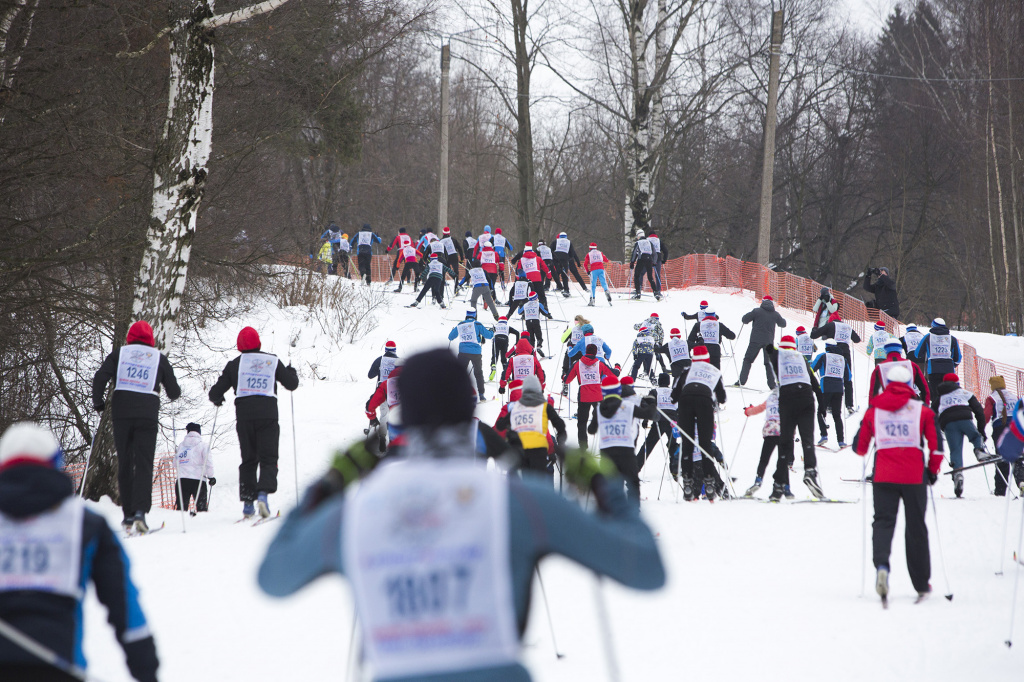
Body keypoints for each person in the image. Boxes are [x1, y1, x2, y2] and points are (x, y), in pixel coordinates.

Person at [257, 349, 665, 682]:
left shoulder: (357, 512)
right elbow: (646, 567)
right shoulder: (520, 503)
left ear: (406, 410)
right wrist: (600, 483)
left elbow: (273, 576)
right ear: (468, 402)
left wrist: (329, 484)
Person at [0, 423, 160, 682]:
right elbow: (126, 610)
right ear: (55, 464)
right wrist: (146, 672)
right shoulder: (85, 524)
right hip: (60, 667)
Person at [852, 364, 941, 605]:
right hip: (914, 475)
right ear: (910, 385)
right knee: (916, 528)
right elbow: (937, 445)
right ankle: (922, 583)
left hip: (884, 474)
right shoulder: (921, 410)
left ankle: (882, 566)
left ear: (886, 385)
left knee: (883, 522)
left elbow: (860, 448)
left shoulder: (874, 409)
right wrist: (932, 471)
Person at [92, 319, 181, 533]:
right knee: (143, 462)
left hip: (122, 413)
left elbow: (100, 377)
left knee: (125, 462)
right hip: (147, 415)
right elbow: (174, 391)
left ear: (130, 337)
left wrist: (99, 402)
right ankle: (141, 512)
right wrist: (170, 392)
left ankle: (128, 515)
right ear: (151, 338)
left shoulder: (119, 354)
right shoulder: (158, 358)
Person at [209, 326, 299, 519]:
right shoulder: (271, 360)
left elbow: (215, 392)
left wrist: (218, 399)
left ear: (239, 345)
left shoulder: (235, 365)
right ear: (258, 342)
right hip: (268, 416)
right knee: (268, 458)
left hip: (245, 417)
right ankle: (263, 496)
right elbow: (291, 384)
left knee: (249, 460)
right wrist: (292, 372)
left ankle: (248, 504)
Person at [767, 336, 824, 500]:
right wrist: (821, 406)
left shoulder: (777, 355)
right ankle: (810, 472)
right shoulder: (802, 359)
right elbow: (815, 382)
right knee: (807, 439)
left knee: (784, 442)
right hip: (806, 397)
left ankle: (778, 485)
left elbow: (769, 349)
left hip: (788, 398)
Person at [587, 375, 657, 507]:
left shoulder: (599, 409)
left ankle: (611, 511)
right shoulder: (628, 406)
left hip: (606, 451)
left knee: (611, 483)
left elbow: (591, 430)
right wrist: (652, 402)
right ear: (618, 390)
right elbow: (649, 414)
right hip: (626, 449)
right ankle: (633, 511)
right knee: (633, 483)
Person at [669, 345, 727, 501]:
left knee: (687, 444)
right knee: (705, 445)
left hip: (685, 403)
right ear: (708, 359)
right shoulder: (715, 372)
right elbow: (722, 398)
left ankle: (687, 481)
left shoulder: (687, 371)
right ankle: (709, 481)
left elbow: (673, 396)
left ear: (693, 359)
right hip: (704, 403)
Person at [494, 375, 567, 484]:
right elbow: (560, 425)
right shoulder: (544, 406)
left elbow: (500, 426)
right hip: (539, 450)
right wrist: (561, 440)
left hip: (520, 450)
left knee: (526, 483)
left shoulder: (516, 407)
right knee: (539, 483)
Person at [932, 372, 994, 498]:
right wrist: (981, 431)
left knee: (955, 450)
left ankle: (958, 474)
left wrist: (934, 431)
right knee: (975, 437)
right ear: (957, 383)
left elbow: (931, 414)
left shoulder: (940, 398)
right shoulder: (965, 393)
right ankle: (979, 451)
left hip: (948, 422)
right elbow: (979, 412)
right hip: (965, 418)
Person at [565, 343, 617, 449]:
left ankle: (583, 448)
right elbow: (613, 375)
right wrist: (617, 368)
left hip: (584, 395)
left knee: (582, 423)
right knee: (603, 417)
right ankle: (607, 444)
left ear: (585, 351)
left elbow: (567, 380)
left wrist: (564, 377)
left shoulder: (577, 363)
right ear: (595, 352)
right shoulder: (599, 364)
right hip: (598, 395)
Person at [810, 312, 860, 415]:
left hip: (832, 354)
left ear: (831, 320)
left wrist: (814, 329)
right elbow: (857, 339)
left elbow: (814, 335)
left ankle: (829, 405)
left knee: (832, 376)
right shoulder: (848, 327)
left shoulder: (831, 325)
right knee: (847, 379)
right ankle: (849, 405)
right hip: (845, 355)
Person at [736, 294, 787, 389]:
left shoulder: (757, 311)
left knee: (748, 360)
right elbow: (783, 324)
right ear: (772, 303)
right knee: (769, 363)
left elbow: (744, 319)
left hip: (755, 340)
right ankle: (772, 385)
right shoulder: (775, 314)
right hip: (769, 342)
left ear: (763, 302)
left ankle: (741, 381)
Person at [986, 375, 1024, 496]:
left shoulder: (992, 398)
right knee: (1017, 458)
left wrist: (980, 430)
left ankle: (1000, 491)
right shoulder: (1014, 396)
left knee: (1002, 459)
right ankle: (1022, 482)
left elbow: (986, 415)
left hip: (1000, 429)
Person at [637, 373, 681, 477]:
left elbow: (649, 406)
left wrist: (646, 420)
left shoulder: (654, 391)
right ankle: (675, 469)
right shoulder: (675, 392)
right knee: (673, 445)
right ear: (669, 382)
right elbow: (680, 407)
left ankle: (636, 468)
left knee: (648, 445)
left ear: (659, 381)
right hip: (672, 422)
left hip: (659, 421)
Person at [742, 388, 783, 497]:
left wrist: (748, 411)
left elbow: (759, 408)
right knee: (782, 459)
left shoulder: (771, 398)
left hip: (770, 431)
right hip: (783, 431)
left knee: (764, 459)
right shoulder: (789, 398)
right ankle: (785, 486)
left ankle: (758, 480)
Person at [811, 339, 849, 449]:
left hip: (825, 388)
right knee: (837, 415)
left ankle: (824, 435)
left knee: (820, 412)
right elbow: (848, 376)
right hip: (839, 389)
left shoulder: (823, 356)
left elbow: (812, 369)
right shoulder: (843, 359)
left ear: (827, 346)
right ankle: (841, 441)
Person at [448, 310, 495, 401]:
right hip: (475, 353)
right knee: (478, 374)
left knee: (460, 373)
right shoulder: (477, 324)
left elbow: (450, 337)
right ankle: (481, 395)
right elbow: (489, 336)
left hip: (463, 352)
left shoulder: (460, 324)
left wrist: (453, 330)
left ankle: (456, 394)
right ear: (475, 315)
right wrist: (492, 331)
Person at [913, 317, 962, 400]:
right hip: (948, 370)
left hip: (933, 370)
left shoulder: (928, 337)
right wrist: (953, 365)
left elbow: (917, 354)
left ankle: (937, 411)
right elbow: (958, 358)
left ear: (933, 326)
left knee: (936, 396)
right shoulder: (952, 339)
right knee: (949, 395)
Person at [174, 422, 214, 515]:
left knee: (181, 509)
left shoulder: (181, 446)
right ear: (199, 432)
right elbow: (208, 462)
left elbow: (175, 463)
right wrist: (211, 476)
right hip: (199, 480)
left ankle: (180, 527)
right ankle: (201, 527)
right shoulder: (203, 445)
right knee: (201, 508)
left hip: (182, 480)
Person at [510, 291, 553, 356]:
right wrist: (548, 314)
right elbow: (545, 312)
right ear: (535, 298)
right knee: (538, 334)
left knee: (531, 337)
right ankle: (539, 345)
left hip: (528, 322)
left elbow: (519, 312)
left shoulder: (526, 304)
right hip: (535, 321)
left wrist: (520, 306)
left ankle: (531, 350)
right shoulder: (538, 304)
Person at [628, 230, 662, 301]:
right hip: (649, 260)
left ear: (638, 236)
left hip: (641, 259)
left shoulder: (638, 242)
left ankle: (638, 293)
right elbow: (654, 253)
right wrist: (654, 262)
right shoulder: (649, 242)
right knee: (650, 277)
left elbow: (635, 253)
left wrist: (632, 262)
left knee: (637, 275)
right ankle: (656, 293)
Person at [551, 232, 587, 297]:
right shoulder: (568, 242)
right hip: (565, 259)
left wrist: (553, 257)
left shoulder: (555, 241)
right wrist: (570, 258)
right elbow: (572, 253)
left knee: (556, 273)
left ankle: (559, 287)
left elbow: (550, 250)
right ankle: (566, 290)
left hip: (556, 258)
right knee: (565, 274)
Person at [490, 316, 521, 381]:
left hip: (496, 340)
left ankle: (493, 367)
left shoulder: (495, 326)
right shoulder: (507, 327)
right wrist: (517, 343)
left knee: (495, 356)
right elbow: (517, 333)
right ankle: (507, 375)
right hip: (505, 340)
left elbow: (488, 332)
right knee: (504, 359)